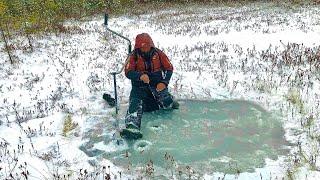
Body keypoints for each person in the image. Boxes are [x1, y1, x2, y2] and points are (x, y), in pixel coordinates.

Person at [123, 33, 179, 136]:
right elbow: (128, 72)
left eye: (148, 45)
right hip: (138, 85)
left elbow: (169, 68)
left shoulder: (159, 53)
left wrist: (164, 82)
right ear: (138, 46)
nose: (146, 47)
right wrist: (140, 76)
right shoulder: (133, 56)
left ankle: (169, 101)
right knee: (136, 101)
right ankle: (132, 126)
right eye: (143, 46)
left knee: (166, 102)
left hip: (156, 83)